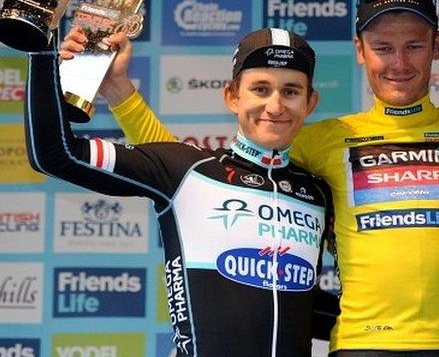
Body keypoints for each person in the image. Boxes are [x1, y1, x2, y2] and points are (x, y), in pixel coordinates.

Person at [62, 0, 439, 356]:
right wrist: (119, 94)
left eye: (414, 44)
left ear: (437, 46)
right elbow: (194, 174)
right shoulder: (322, 140)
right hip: (357, 345)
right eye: (383, 47)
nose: (399, 61)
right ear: (360, 52)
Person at [23, 22, 336, 355]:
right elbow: (55, 155)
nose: (275, 106)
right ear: (231, 96)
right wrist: (42, 47)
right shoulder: (186, 170)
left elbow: (302, 307)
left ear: (310, 102)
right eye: (260, 89)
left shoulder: (318, 193)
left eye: (290, 91)